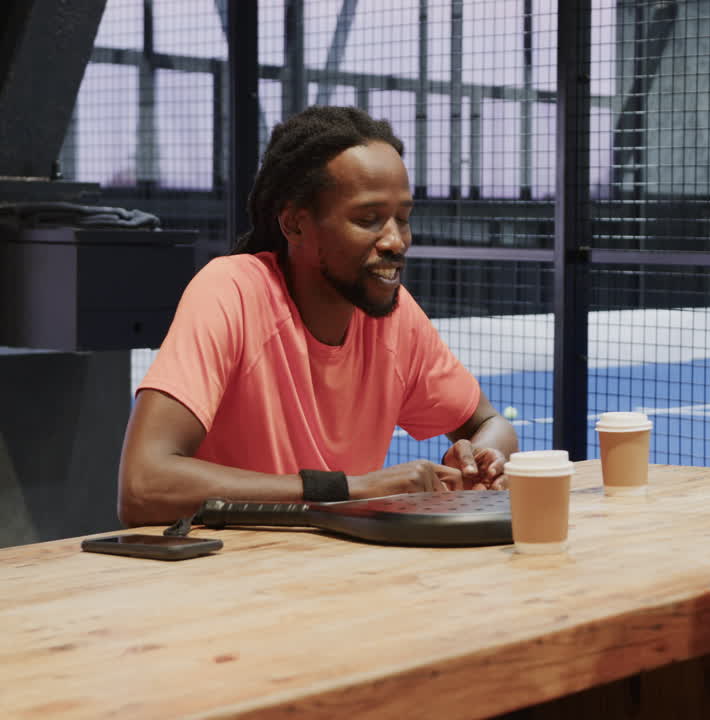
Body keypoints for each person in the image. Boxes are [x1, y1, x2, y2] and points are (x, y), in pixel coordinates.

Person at [118, 106, 517, 527]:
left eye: (403, 219)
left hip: (335, 560)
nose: (395, 241)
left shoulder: (395, 314)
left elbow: (490, 423)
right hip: (232, 562)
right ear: (295, 225)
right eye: (368, 219)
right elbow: (143, 486)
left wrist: (485, 457)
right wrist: (346, 490)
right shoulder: (232, 290)